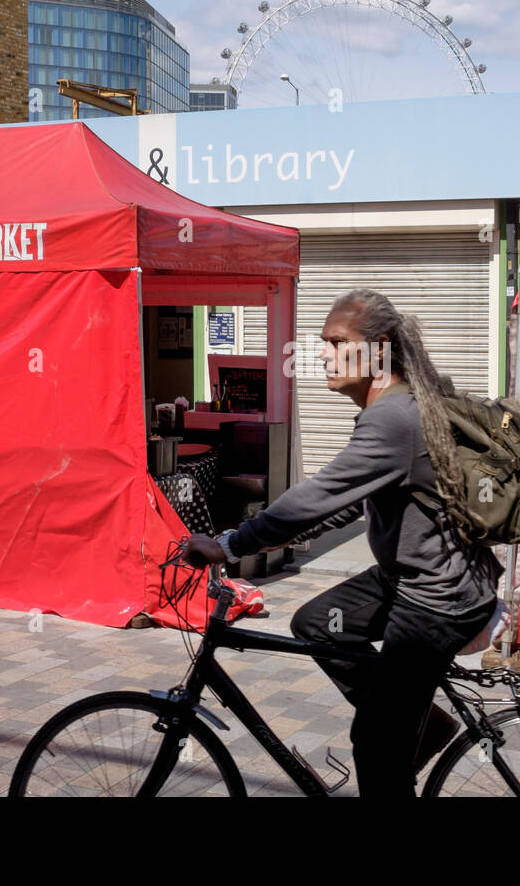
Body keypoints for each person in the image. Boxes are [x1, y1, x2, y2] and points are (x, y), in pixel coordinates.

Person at [185, 288, 500, 798]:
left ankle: (402, 731)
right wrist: (297, 530)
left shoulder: (392, 417)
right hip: (410, 577)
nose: (322, 354)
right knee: (315, 625)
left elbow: (318, 495)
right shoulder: (393, 409)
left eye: (336, 342)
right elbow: (349, 500)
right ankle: (419, 720)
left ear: (378, 350)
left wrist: (229, 543)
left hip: (438, 599)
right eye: (322, 342)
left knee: (375, 747)